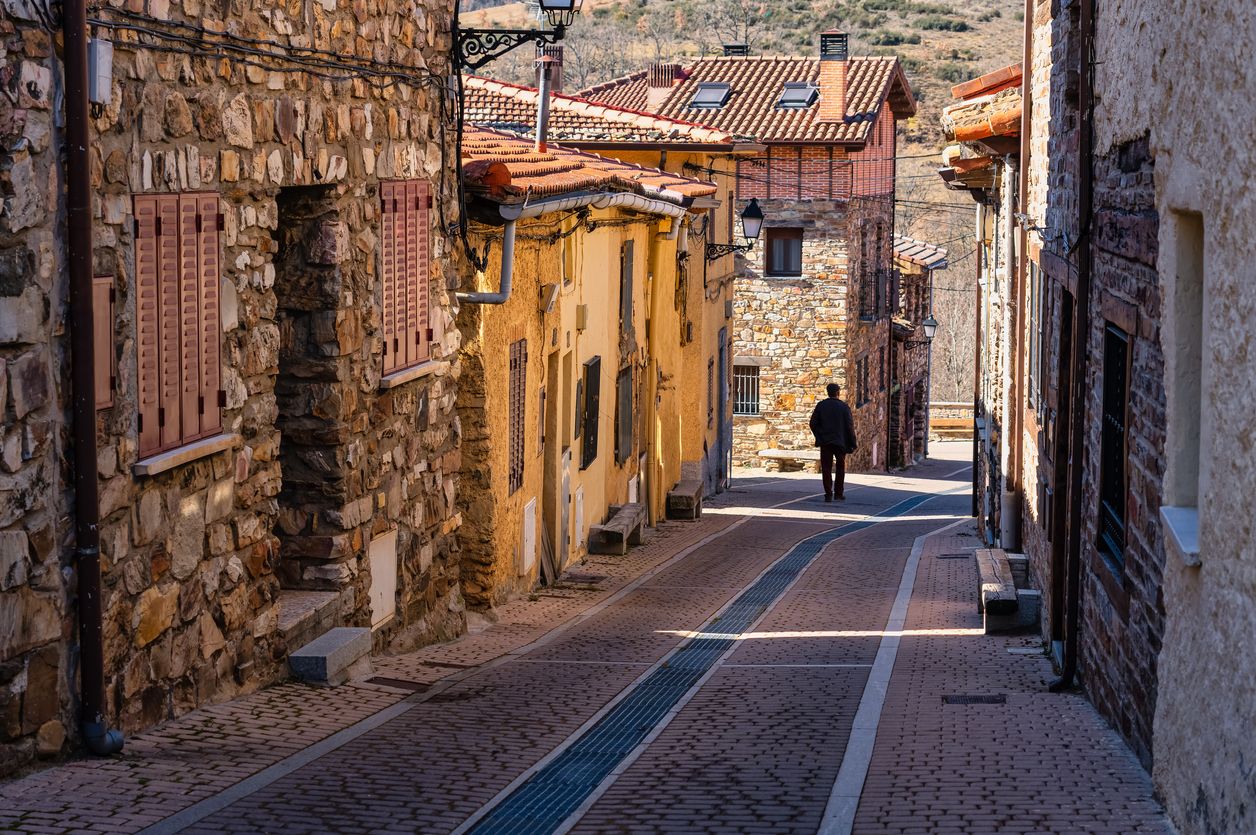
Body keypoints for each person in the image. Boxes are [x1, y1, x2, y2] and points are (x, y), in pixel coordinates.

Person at [809, 383, 857, 502]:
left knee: (826, 468)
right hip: (840, 442)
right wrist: (852, 443)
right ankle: (839, 493)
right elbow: (849, 426)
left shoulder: (821, 406)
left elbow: (813, 423)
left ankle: (828, 494)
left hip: (825, 442)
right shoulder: (844, 407)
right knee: (840, 468)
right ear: (838, 392)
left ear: (828, 392)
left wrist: (819, 436)